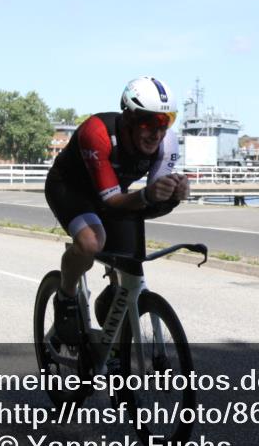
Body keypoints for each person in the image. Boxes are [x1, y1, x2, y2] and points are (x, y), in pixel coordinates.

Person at [44, 76, 188, 345]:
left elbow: (147, 205)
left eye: (166, 120)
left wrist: (171, 196)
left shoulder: (167, 143)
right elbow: (115, 202)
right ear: (129, 117)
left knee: (129, 258)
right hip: (70, 189)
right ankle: (65, 297)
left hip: (113, 194)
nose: (157, 132)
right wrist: (147, 195)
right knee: (91, 243)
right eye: (148, 121)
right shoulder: (96, 132)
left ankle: (111, 305)